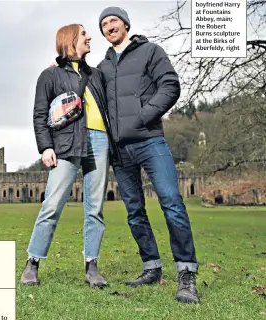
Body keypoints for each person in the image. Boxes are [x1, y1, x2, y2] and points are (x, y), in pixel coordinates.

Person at [97, 7, 199, 303]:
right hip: (120, 150)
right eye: (103, 24)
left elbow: (170, 85)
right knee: (134, 212)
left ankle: (186, 273)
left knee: (171, 202)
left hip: (150, 140)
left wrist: (143, 117)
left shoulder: (151, 51)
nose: (108, 26)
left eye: (113, 20)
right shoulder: (102, 67)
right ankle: (151, 266)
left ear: (125, 24)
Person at [21, 23, 116, 289]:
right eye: (84, 34)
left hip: (99, 140)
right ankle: (33, 262)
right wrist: (45, 147)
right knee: (52, 204)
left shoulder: (95, 74)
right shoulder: (49, 76)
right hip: (65, 143)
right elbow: (40, 115)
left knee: (95, 207)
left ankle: (92, 266)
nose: (90, 38)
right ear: (69, 40)